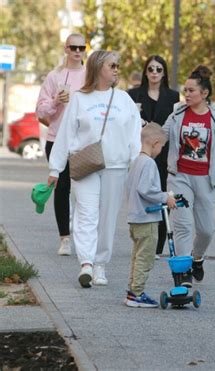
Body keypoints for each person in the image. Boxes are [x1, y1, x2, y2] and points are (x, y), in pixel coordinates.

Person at [48, 50, 141, 288]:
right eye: (112, 65)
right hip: (85, 164)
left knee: (107, 218)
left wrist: (136, 163)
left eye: (118, 65)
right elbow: (66, 133)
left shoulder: (124, 100)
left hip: (116, 166)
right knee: (86, 214)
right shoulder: (80, 98)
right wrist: (55, 168)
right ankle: (86, 263)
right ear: (99, 67)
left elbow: (134, 134)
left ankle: (101, 265)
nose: (116, 70)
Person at [162, 65, 215, 287]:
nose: (187, 94)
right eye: (185, 90)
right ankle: (183, 275)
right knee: (182, 225)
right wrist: (142, 127)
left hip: (206, 180)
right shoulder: (177, 115)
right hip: (180, 177)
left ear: (204, 94)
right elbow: (160, 135)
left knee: (206, 230)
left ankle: (197, 257)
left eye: (191, 90)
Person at [35, 33, 86, 256]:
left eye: (81, 47)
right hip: (57, 139)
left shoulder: (90, 74)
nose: (77, 51)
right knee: (62, 188)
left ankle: (84, 234)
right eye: (73, 47)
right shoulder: (54, 76)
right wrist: (56, 101)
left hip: (84, 142)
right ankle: (64, 238)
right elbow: (40, 110)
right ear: (66, 49)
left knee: (85, 190)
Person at [128, 55, 180, 259]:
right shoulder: (134, 95)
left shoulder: (173, 97)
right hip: (141, 151)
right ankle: (141, 238)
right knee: (142, 192)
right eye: (151, 69)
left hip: (163, 151)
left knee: (162, 193)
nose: (154, 73)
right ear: (145, 72)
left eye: (159, 69)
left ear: (164, 73)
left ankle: (158, 245)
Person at [125, 123, 177, 308]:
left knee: (137, 257)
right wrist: (165, 197)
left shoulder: (137, 161)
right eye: (162, 146)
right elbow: (146, 189)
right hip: (146, 219)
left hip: (135, 217)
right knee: (145, 258)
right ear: (155, 143)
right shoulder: (149, 163)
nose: (161, 150)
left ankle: (132, 290)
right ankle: (137, 293)